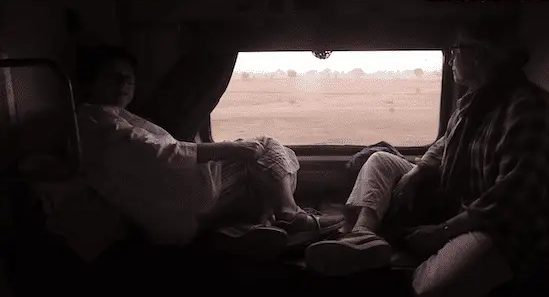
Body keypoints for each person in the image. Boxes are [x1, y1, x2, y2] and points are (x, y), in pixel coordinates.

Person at [305, 22, 549, 297]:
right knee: (381, 160)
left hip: (502, 231)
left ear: (478, 54)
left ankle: (377, 255)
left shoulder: (528, 107)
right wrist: (416, 173)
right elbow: (445, 144)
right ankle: (362, 236)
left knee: (431, 287)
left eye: (456, 50)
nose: (451, 58)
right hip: (456, 202)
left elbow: (511, 198)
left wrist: (442, 231)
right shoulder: (473, 101)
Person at [45, 45, 343, 262]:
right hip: (177, 191)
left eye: (129, 79)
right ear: (89, 83)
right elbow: (159, 153)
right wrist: (227, 148)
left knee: (258, 175)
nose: (123, 85)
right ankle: (290, 215)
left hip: (172, 212)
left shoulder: (112, 117)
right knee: (265, 146)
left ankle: (245, 232)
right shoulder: (95, 120)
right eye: (113, 78)